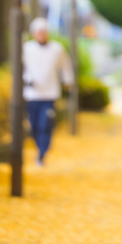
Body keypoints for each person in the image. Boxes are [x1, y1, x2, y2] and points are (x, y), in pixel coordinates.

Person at [23, 18, 74, 166]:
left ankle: (42, 153)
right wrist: (27, 79)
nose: (41, 35)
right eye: (38, 32)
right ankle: (39, 148)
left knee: (45, 124)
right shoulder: (27, 48)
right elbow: (22, 68)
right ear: (33, 34)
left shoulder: (57, 49)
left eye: (44, 32)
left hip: (50, 94)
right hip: (32, 94)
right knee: (33, 125)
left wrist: (68, 81)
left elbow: (66, 66)